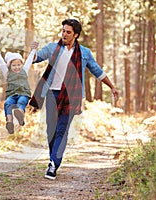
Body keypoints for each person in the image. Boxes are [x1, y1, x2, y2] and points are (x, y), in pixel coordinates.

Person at [29, 19, 119, 180]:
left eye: (68, 32)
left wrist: (112, 87)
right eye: (63, 30)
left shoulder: (84, 53)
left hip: (71, 96)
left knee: (62, 130)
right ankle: (53, 160)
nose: (64, 34)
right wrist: (32, 52)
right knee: (51, 130)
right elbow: (36, 58)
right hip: (51, 94)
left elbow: (97, 71)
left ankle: (53, 165)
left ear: (76, 35)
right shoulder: (52, 48)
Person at [0, 41, 39, 134]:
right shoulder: (7, 73)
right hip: (12, 95)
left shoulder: (24, 71)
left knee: (21, 102)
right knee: (7, 104)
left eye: (19, 65)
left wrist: (33, 50)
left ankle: (20, 115)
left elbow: (29, 60)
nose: (17, 67)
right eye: (14, 65)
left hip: (23, 93)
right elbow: (1, 63)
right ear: (9, 66)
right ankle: (9, 122)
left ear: (22, 65)